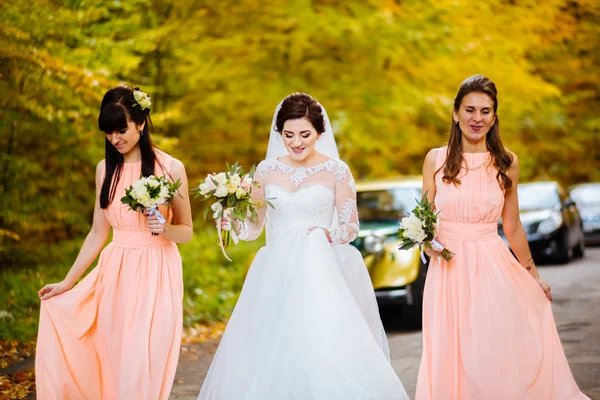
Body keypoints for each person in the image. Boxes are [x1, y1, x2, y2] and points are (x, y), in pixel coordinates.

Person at [197, 93, 408, 400]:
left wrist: (328, 233)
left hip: (320, 270)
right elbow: (255, 227)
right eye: (288, 135)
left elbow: (350, 226)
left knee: (318, 340)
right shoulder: (266, 170)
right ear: (279, 134)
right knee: (272, 348)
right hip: (276, 272)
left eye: (304, 134)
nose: (296, 142)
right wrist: (235, 224)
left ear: (319, 134)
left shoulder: (337, 170)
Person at [416, 74, 589, 399]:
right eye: (469, 110)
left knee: (489, 350)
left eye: (485, 111)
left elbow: (512, 226)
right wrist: (427, 242)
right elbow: (424, 219)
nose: (476, 118)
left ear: (494, 117)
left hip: (491, 266)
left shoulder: (507, 162)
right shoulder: (435, 160)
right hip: (447, 273)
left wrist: (532, 275)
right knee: (450, 352)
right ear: (455, 113)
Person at [35, 86, 193, 399]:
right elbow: (98, 232)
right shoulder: (105, 169)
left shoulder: (171, 168)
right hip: (116, 272)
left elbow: (186, 230)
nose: (115, 139)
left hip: (157, 271)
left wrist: (164, 228)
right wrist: (68, 282)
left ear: (142, 123)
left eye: (122, 130)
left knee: (145, 358)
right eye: (109, 132)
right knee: (114, 357)